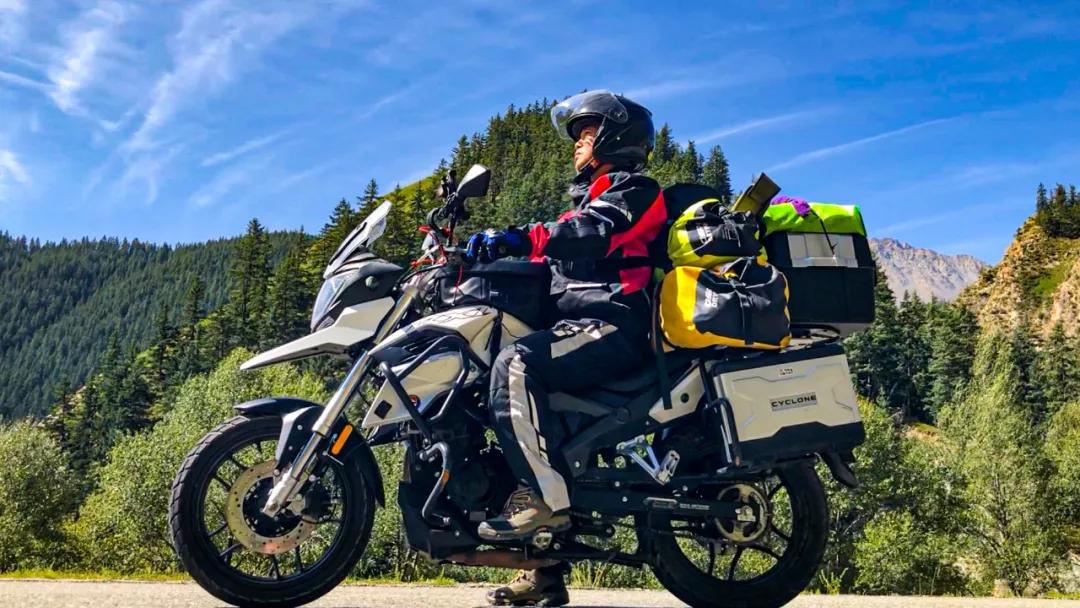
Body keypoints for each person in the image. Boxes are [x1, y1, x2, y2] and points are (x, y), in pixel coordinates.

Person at [465, 90, 662, 606]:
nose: (577, 144)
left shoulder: (634, 191)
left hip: (614, 324)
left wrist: (521, 237)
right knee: (503, 405)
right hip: (581, 326)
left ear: (615, 137)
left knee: (516, 365)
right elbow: (548, 262)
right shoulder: (586, 201)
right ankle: (543, 572)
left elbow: (588, 234)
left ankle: (544, 500)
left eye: (586, 133)